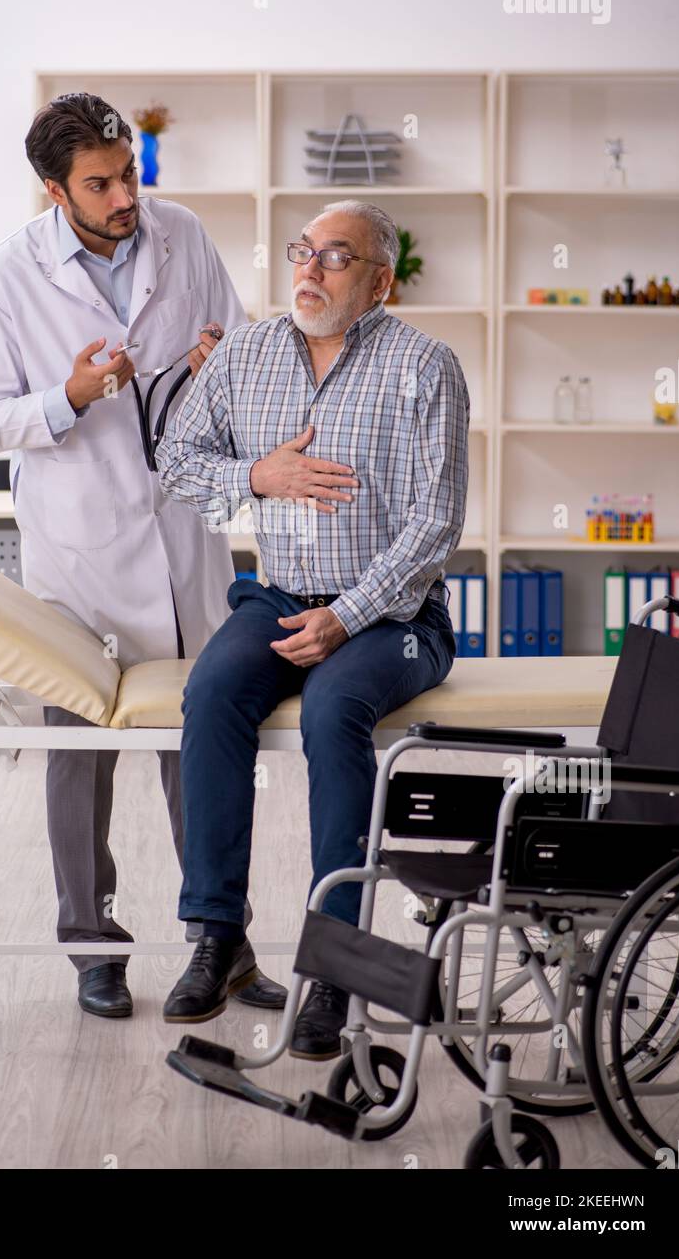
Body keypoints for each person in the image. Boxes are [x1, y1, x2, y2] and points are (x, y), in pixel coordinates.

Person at [0, 92, 286, 1019]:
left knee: (204, 748)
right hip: (77, 553)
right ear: (55, 189)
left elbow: (251, 358)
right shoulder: (7, 275)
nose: (122, 198)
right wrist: (66, 395)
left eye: (127, 175)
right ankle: (92, 949)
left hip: (183, 537)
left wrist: (225, 360)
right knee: (79, 754)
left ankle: (222, 943)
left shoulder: (180, 234)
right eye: (99, 184)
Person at [156, 200, 468, 1058]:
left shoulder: (424, 365)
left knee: (334, 713)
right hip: (276, 593)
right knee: (212, 693)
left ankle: (332, 966)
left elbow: (436, 520)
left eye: (337, 256)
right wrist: (256, 474)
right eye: (304, 251)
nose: (311, 269)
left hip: (394, 615)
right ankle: (216, 937)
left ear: (380, 280)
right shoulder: (247, 353)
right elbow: (176, 462)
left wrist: (346, 618)